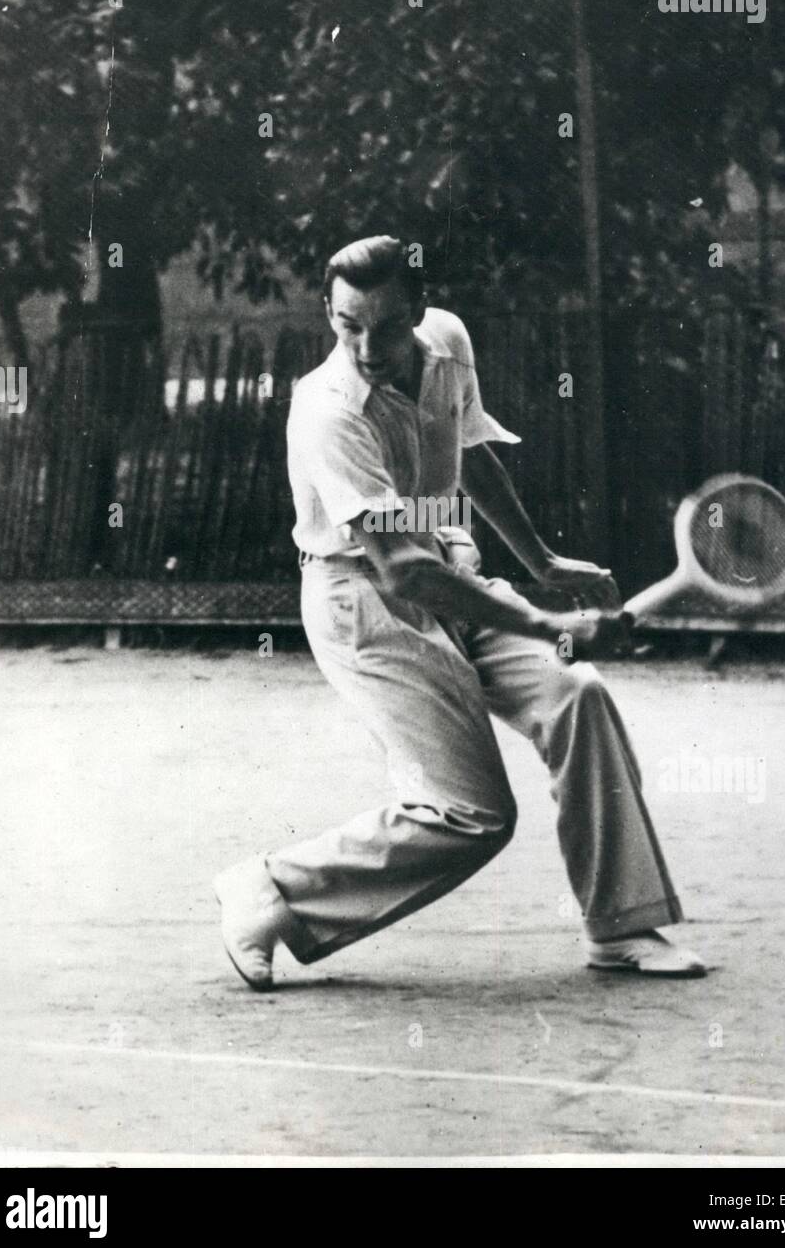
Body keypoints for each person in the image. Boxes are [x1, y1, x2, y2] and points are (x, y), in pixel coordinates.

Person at [214, 236, 705, 989]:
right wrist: (550, 625)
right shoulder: (328, 409)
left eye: (384, 325)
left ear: (418, 309)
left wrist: (543, 565)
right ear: (328, 312)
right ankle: (272, 888)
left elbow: (469, 452)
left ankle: (624, 926)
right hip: (365, 605)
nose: (367, 346)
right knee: (467, 813)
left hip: (451, 570)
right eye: (347, 324)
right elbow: (401, 571)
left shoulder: (447, 344)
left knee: (580, 697)